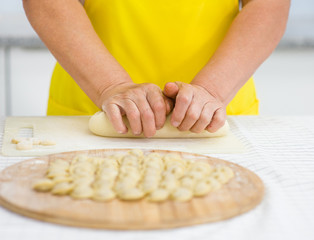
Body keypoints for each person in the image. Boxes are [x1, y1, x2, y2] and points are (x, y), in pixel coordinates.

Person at [23, 0, 290, 137]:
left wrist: (213, 90)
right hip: (92, 107)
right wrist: (110, 86)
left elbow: (270, 4)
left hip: (218, 112)